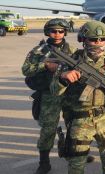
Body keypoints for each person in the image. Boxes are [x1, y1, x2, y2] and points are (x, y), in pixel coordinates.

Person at [51, 20, 105, 174]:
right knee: (76, 165)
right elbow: (54, 90)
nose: (98, 43)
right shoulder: (70, 61)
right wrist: (63, 78)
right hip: (80, 119)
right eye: (94, 39)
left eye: (103, 39)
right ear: (83, 40)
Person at [22, 19, 77, 174]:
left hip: (68, 94)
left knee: (74, 126)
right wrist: (45, 65)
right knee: (48, 129)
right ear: (47, 32)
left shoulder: (72, 50)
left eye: (60, 31)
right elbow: (26, 69)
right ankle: (44, 162)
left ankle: (75, 155)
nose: (57, 34)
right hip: (48, 95)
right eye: (54, 31)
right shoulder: (39, 50)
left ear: (65, 32)